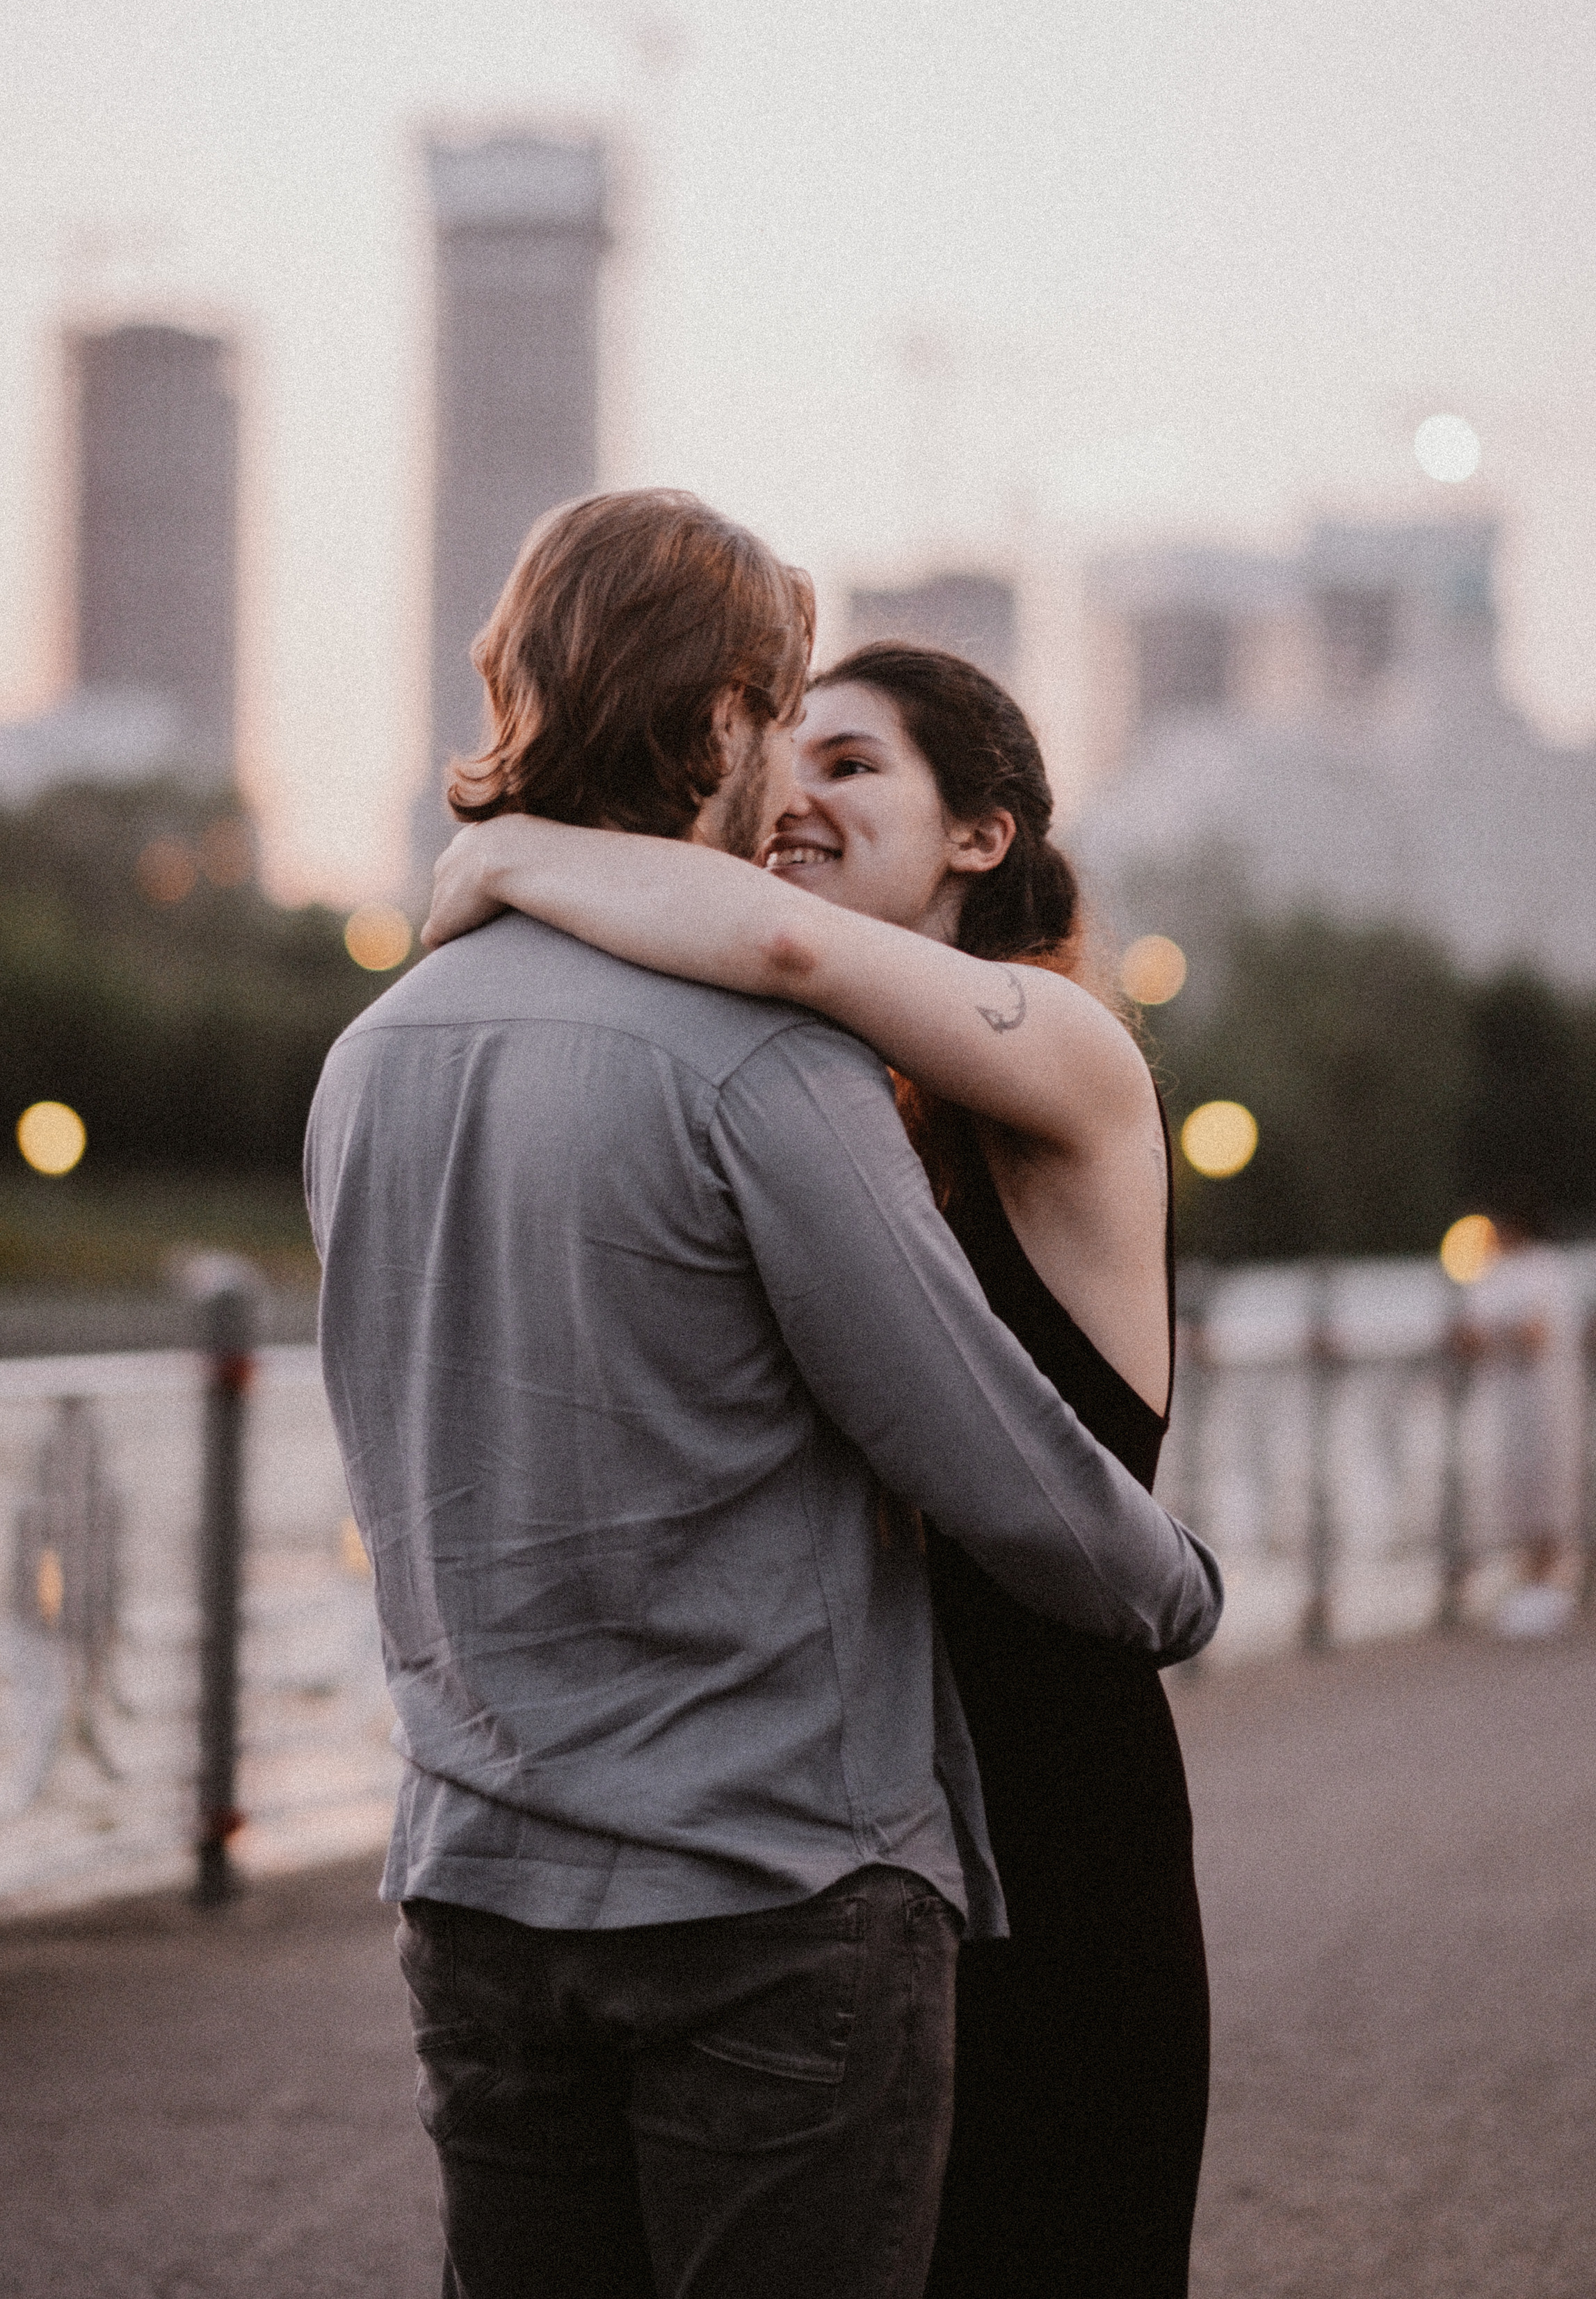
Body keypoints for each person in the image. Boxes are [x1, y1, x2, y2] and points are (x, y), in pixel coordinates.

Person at [308, 491, 1223, 2299]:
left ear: (983, 832)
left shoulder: (1069, 1062)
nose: (793, 794)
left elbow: (791, 951)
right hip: (817, 1832)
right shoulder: (786, 1090)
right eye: (777, 743)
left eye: (854, 762)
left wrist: (501, 861)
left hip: (1037, 1824)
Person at [1450, 1202, 1576, 1638]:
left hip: (1544, 1403)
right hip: (1503, 1406)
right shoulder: (1491, 1274)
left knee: (1548, 1488)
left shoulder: (1543, 1268)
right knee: (1513, 1492)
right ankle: (1529, 1584)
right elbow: (1468, 1337)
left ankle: (1548, 1585)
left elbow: (1535, 1335)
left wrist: (1495, 1337)